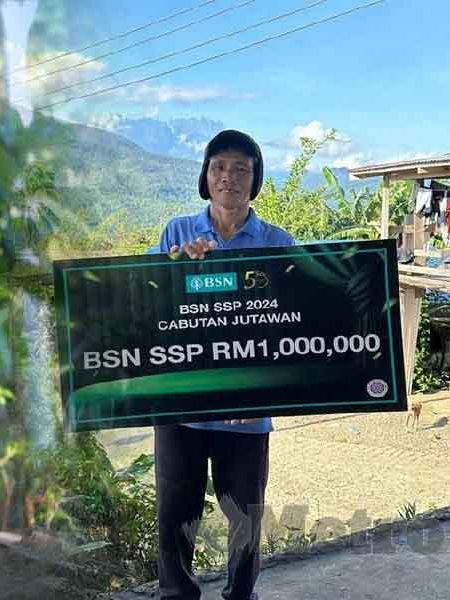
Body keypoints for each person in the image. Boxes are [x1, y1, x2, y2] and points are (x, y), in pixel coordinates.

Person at [155, 130, 294, 600]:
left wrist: (258, 394)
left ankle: (241, 595)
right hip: (183, 411)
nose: (228, 177)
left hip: (249, 415)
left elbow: (294, 325)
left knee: (245, 519)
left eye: (241, 169)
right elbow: (154, 312)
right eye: (219, 167)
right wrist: (180, 269)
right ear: (205, 176)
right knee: (175, 513)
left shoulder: (278, 243)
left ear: (255, 180)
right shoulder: (177, 233)